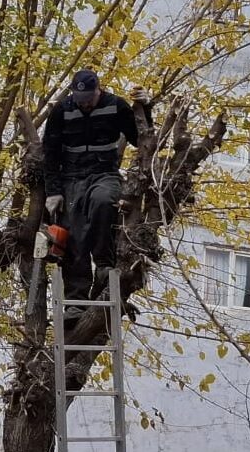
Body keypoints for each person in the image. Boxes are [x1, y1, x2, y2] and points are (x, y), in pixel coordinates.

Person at [42, 69, 150, 315]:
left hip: (104, 174)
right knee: (75, 234)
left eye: (89, 98)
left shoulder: (115, 106)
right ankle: (76, 301)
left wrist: (146, 108)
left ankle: (104, 267)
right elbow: (50, 152)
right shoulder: (62, 111)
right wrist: (54, 192)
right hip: (71, 177)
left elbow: (141, 138)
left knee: (104, 202)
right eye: (81, 100)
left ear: (98, 90)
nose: (85, 104)